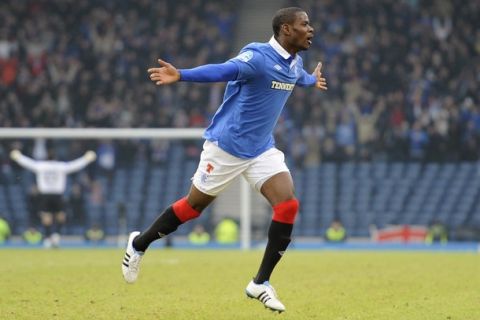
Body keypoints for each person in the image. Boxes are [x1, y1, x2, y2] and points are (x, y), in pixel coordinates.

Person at [122, 7, 327, 313]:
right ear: (286, 29)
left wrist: (312, 80)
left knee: (288, 205)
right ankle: (139, 244)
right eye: (304, 24)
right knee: (192, 208)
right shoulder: (257, 58)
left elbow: (299, 78)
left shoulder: (295, 64)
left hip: (261, 150)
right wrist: (182, 76)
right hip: (227, 147)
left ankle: (260, 283)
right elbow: (223, 70)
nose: (311, 29)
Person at [10, 149, 96, 248]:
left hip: (45, 194)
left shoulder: (41, 166)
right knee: (61, 216)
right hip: (57, 194)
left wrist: (18, 157)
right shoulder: (61, 166)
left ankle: (47, 238)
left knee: (46, 217)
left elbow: (29, 163)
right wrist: (86, 159)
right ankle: (56, 236)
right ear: (56, 158)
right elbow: (75, 165)